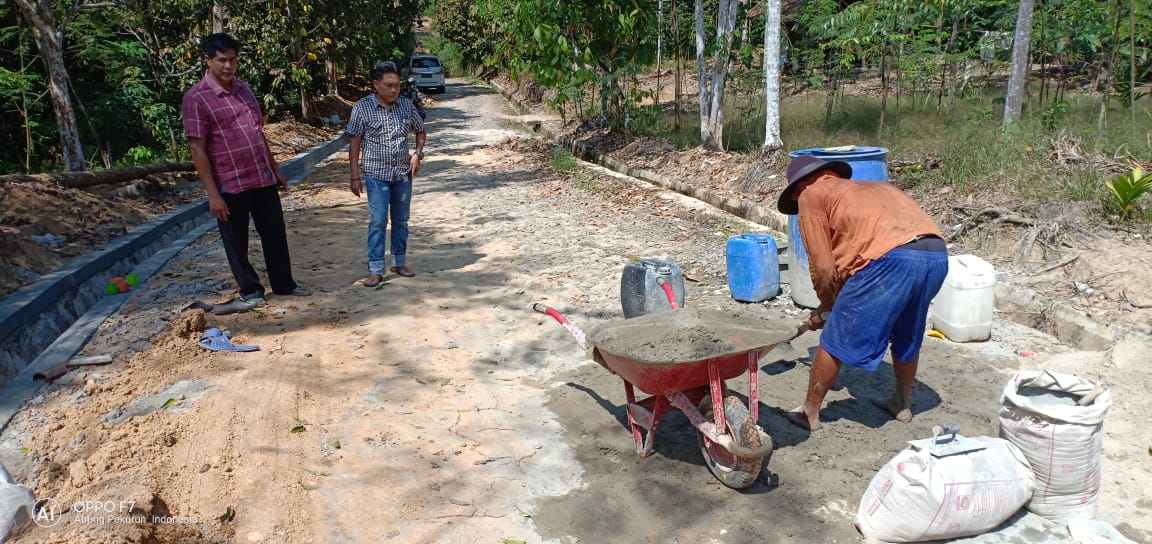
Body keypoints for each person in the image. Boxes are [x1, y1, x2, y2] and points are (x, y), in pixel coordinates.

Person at [777, 155, 948, 431]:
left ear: (797, 189)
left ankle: (809, 412)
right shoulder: (874, 189)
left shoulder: (811, 194)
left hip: (891, 260)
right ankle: (902, 404)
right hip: (936, 255)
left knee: (836, 336)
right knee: (908, 328)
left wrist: (827, 306)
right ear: (831, 172)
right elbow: (860, 260)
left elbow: (823, 267)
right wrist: (833, 304)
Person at [182, 32, 310, 311]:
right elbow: (197, 149)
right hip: (229, 184)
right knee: (236, 242)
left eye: (233, 60)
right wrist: (212, 194)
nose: (228, 66)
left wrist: (275, 168)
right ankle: (250, 289)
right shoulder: (196, 99)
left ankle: (284, 284)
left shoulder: (244, 89)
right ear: (208, 60)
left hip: (261, 177)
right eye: (222, 61)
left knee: (275, 232)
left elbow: (258, 132)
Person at [346, 61, 427, 286]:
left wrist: (417, 154)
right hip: (375, 175)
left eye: (397, 86)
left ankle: (399, 262)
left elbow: (421, 130)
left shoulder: (406, 106)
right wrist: (355, 176)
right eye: (389, 85)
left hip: (402, 175)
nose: (393, 90)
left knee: (401, 221)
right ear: (376, 85)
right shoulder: (362, 108)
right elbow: (354, 143)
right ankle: (375, 269)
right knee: (378, 221)